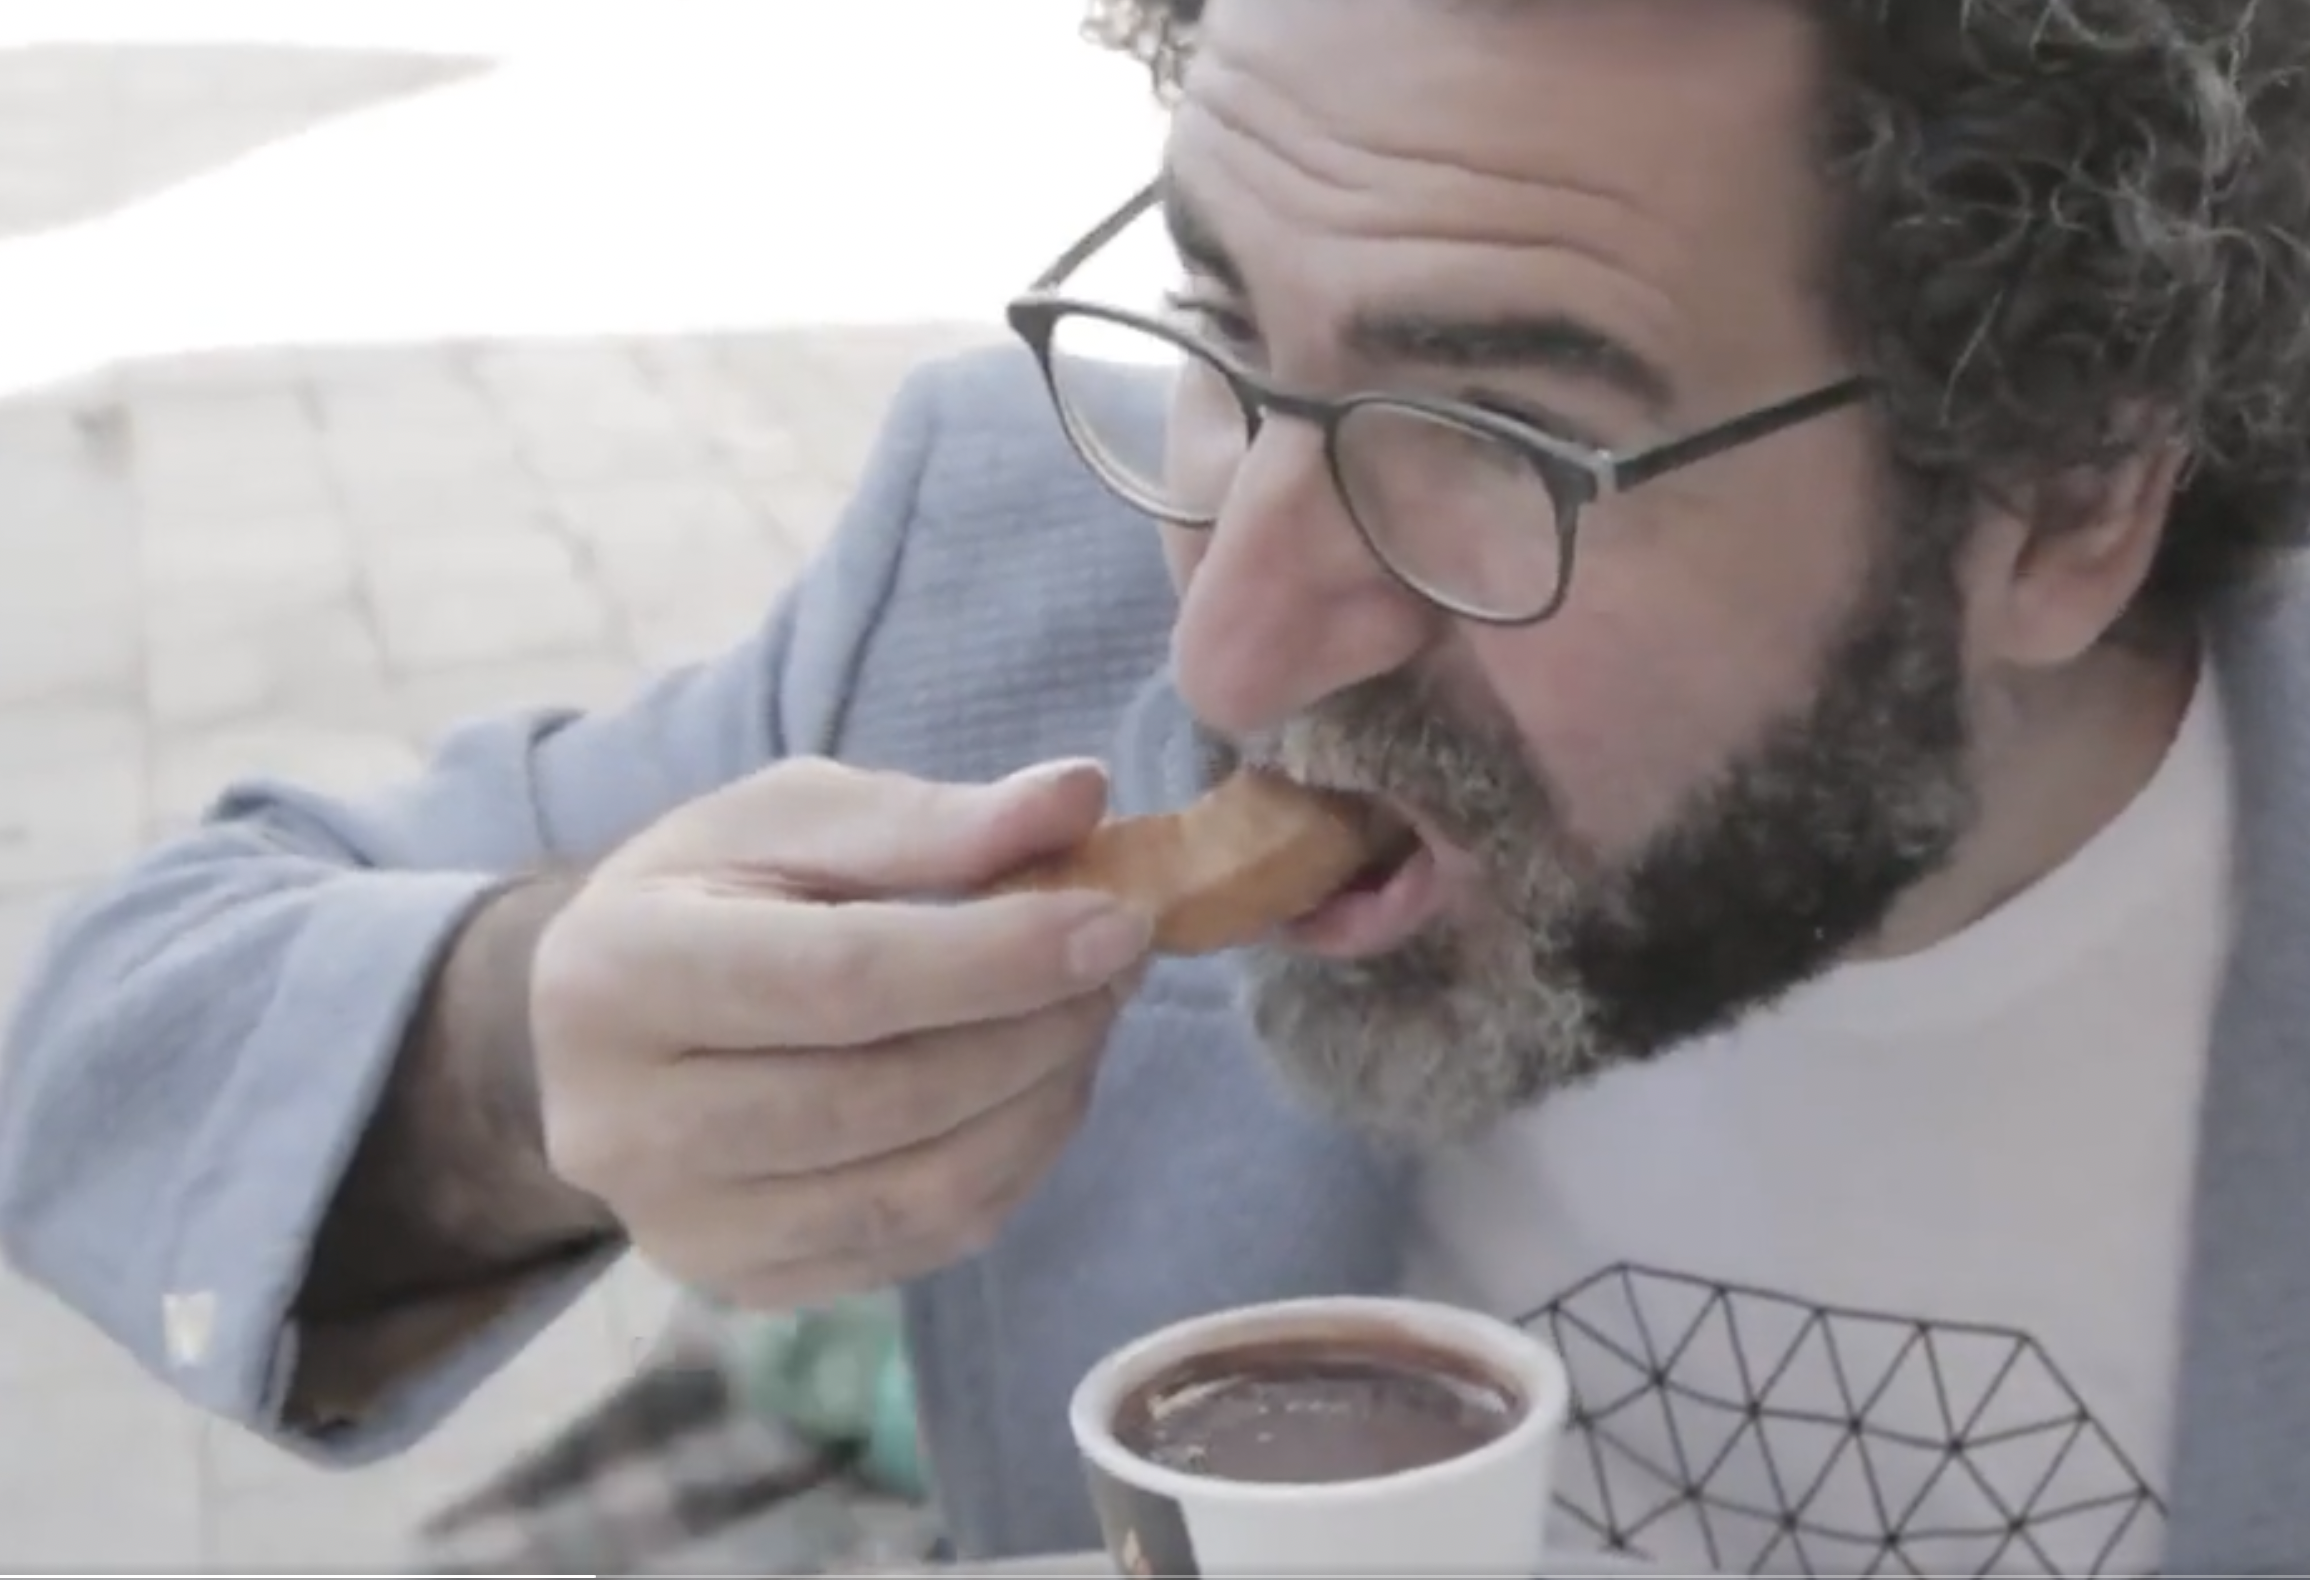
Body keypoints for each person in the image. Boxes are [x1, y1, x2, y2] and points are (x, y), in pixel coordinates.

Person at [6, 0, 2310, 1572]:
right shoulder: (1010, 578)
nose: (1224, 648)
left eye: (1494, 440)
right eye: (1222, 334)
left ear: (2065, 493)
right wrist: (523, 1061)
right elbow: (120, 1027)